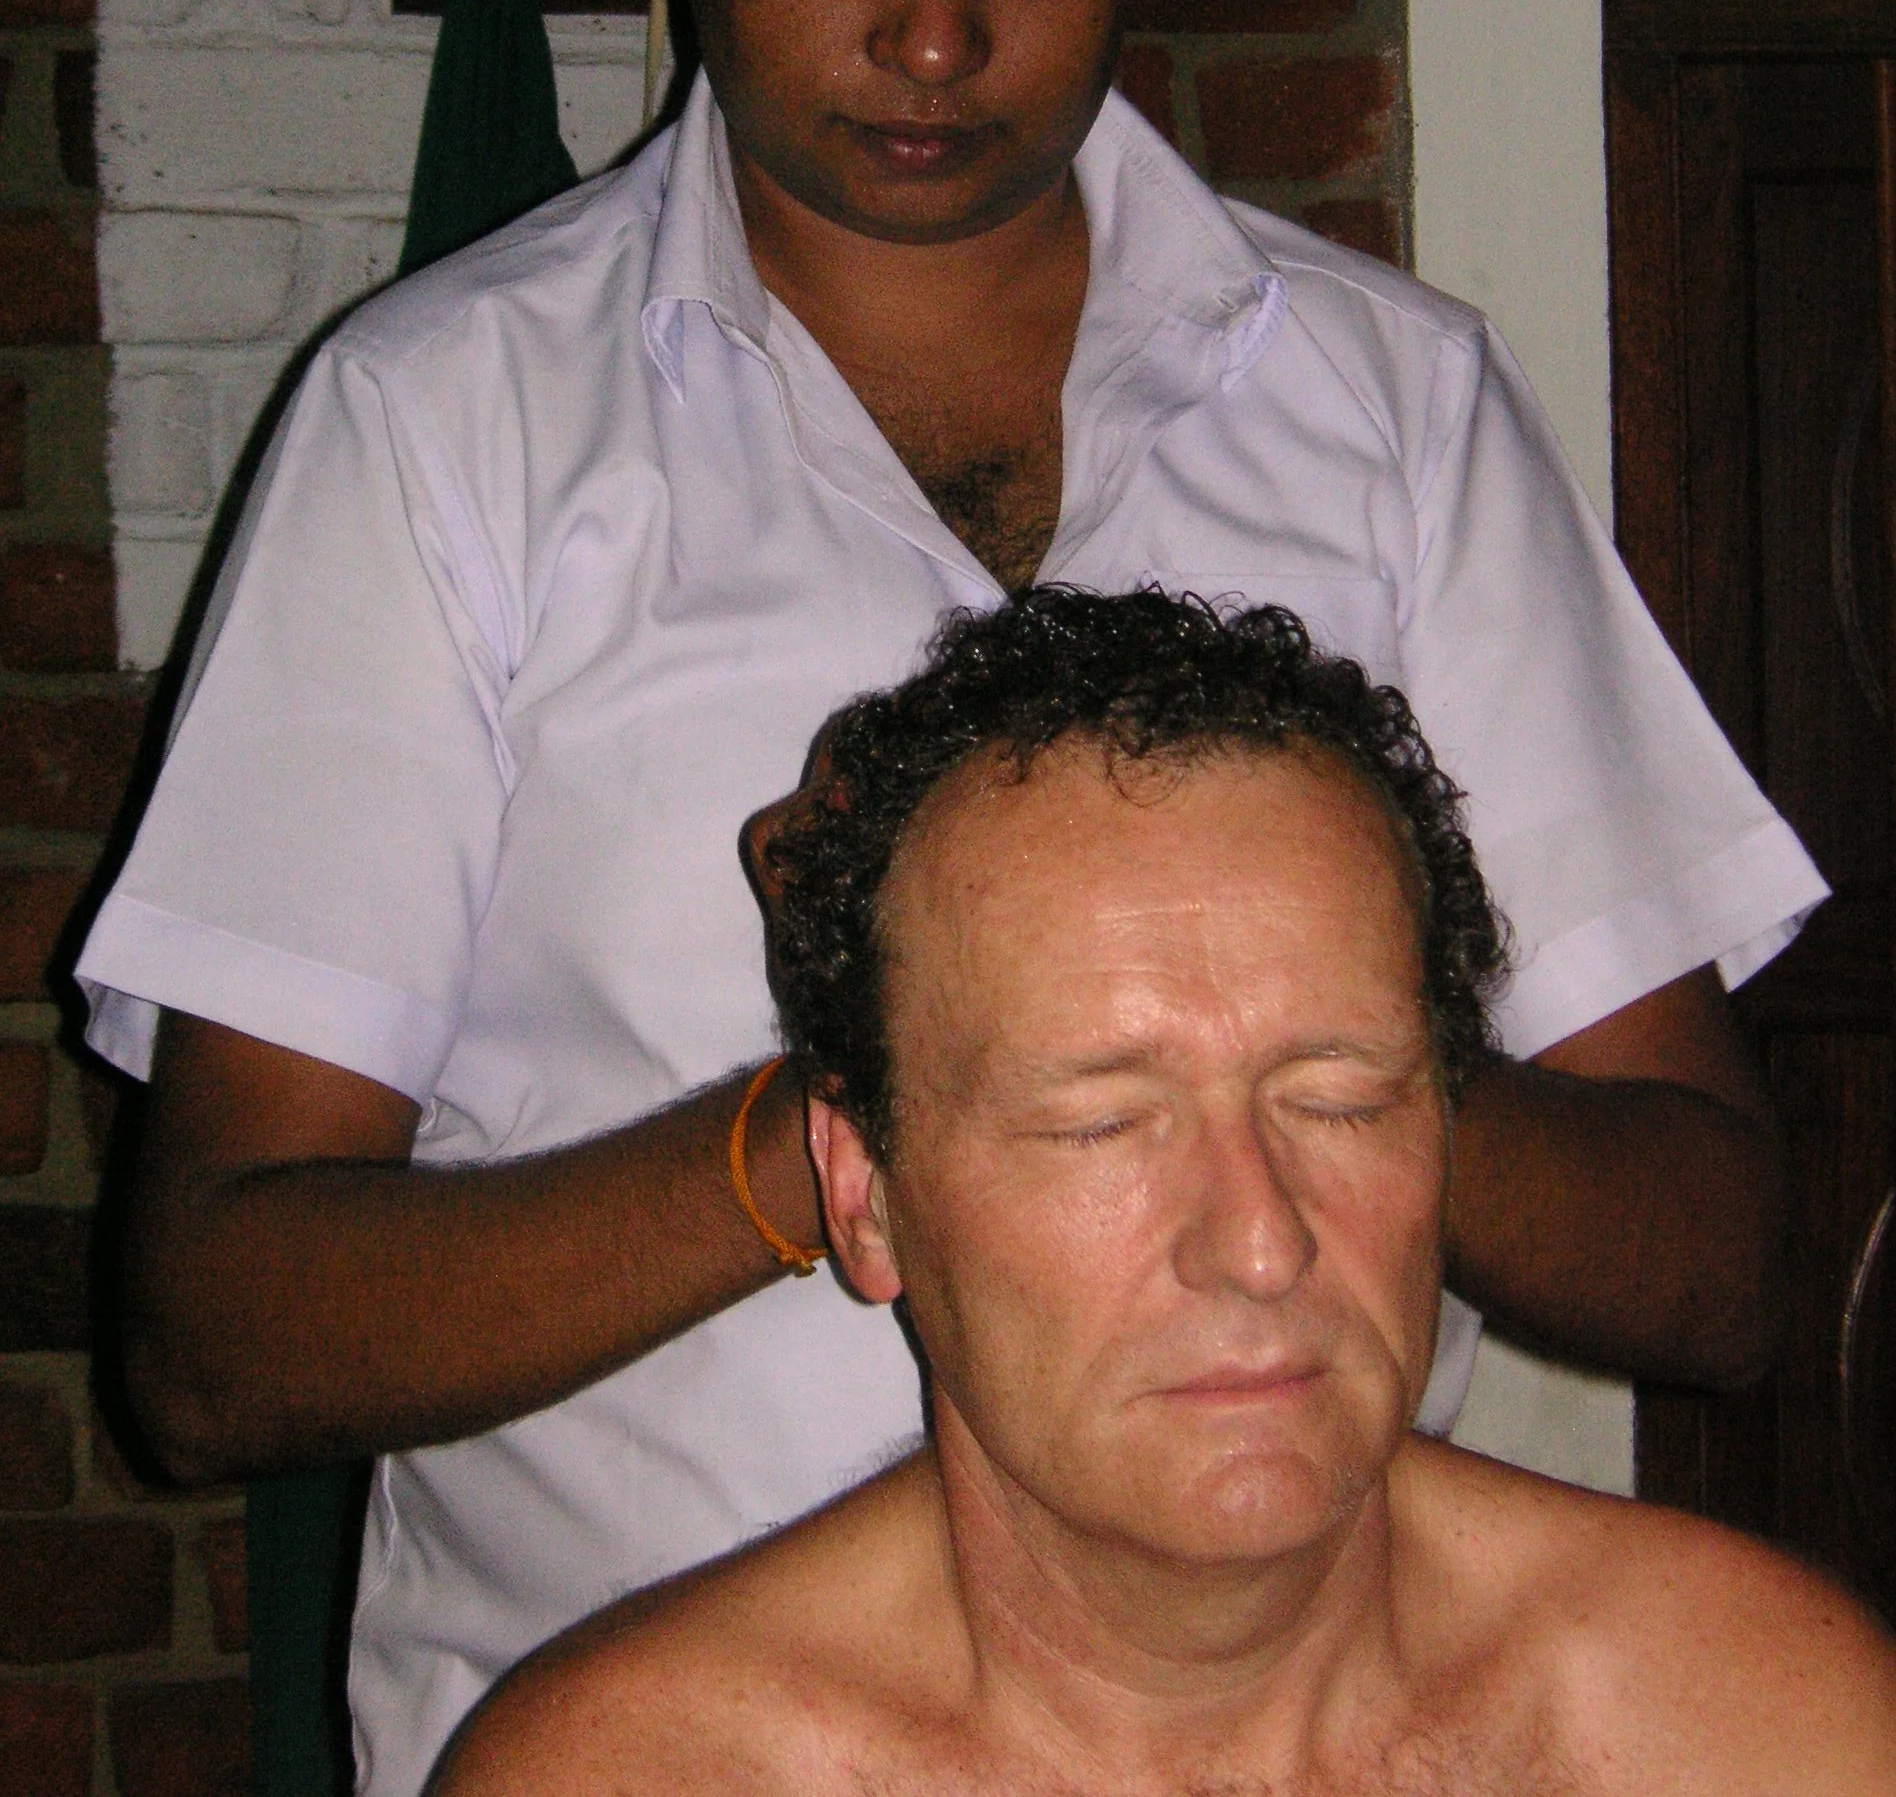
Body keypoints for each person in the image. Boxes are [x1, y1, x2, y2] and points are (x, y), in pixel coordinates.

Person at [82, 0, 1824, 1797]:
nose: (932, 39)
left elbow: (1720, 1260)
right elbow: (212, 1341)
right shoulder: (453, 432)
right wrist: (853, 1131)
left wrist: (1306, 1059)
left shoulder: (1388, 415)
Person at [431, 589, 1896, 1797]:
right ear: (863, 1191)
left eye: (1338, 1095)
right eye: (1101, 1121)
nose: (1259, 1238)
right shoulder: (629, 1774)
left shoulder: (1758, 1726)